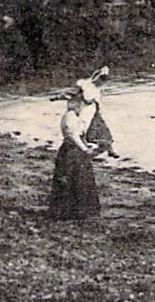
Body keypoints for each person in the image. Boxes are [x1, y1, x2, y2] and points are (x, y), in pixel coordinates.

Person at [48, 88, 101, 221]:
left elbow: (79, 135)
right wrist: (84, 149)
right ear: (73, 103)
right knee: (72, 178)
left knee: (80, 179)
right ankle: (70, 212)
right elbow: (72, 136)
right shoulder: (70, 116)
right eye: (79, 104)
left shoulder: (74, 116)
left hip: (75, 151)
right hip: (71, 152)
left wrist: (87, 145)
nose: (81, 107)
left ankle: (81, 211)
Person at [78, 76, 116, 157]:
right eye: (101, 80)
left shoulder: (96, 88)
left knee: (104, 131)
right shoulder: (88, 86)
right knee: (90, 131)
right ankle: (88, 150)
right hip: (88, 112)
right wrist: (92, 100)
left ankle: (109, 149)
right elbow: (86, 99)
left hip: (95, 112)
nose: (102, 82)